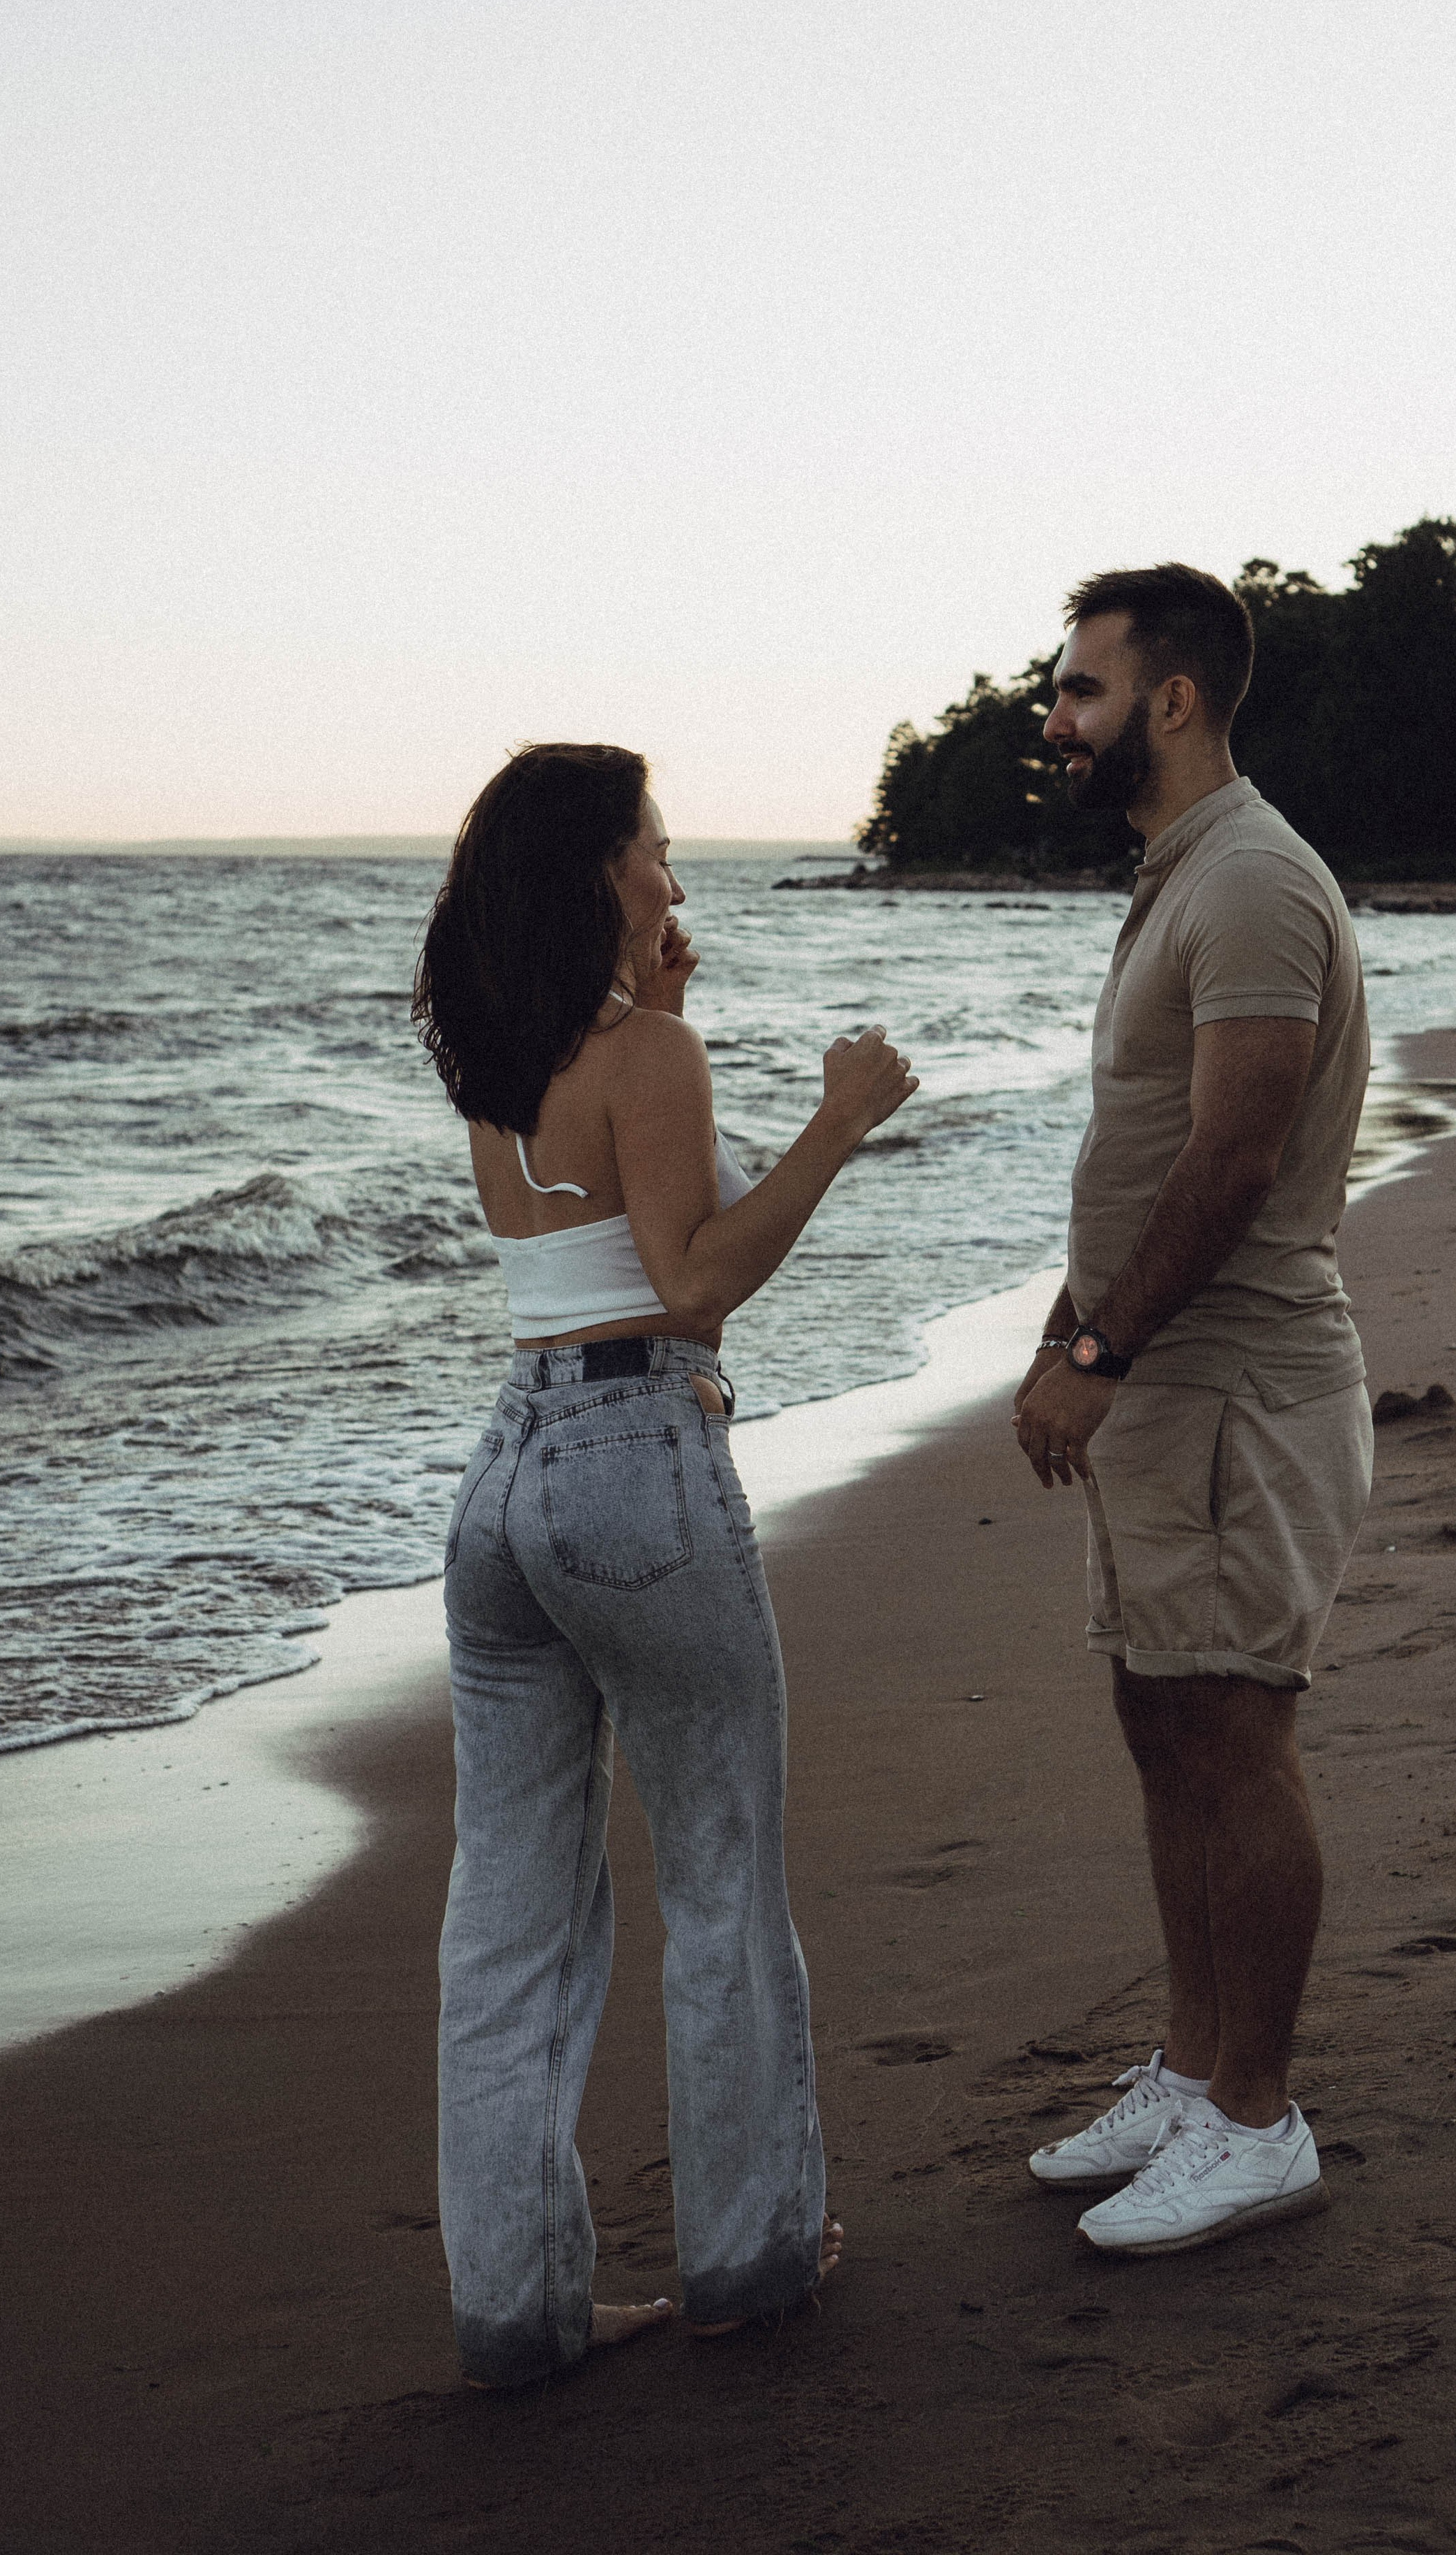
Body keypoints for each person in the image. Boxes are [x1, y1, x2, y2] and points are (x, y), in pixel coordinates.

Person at [411, 743, 916, 2381]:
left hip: (501, 1486)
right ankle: (753, 2263)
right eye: (660, 853)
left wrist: (663, 1002)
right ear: (596, 871)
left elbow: (609, 1234)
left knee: (507, 1927)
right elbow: (692, 1284)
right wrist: (837, 1126)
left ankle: (514, 2314)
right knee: (717, 1879)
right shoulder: (651, 1054)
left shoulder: (498, 1050)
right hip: (637, 1463)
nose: (678, 880)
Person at [1012, 566, 1372, 2257]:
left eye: (1079, 689)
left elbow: (1232, 1156)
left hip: (1231, 1379)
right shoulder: (1180, 879)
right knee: (1163, 1724)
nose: (1056, 717)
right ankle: (1191, 2065)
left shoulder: (1245, 884)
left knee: (1232, 1731)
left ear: (1168, 699)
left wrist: (1099, 1359)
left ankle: (1255, 2118)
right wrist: (1064, 1334)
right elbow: (1142, 1154)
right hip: (1165, 1374)